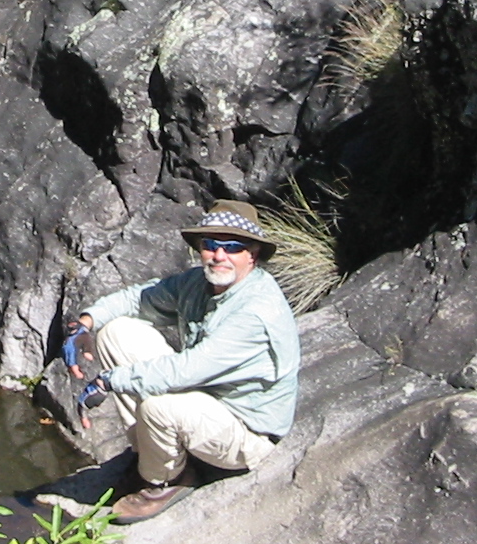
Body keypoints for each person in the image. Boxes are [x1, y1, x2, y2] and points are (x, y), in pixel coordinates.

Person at [60, 200, 300, 524]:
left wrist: (107, 380)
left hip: (244, 429)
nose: (219, 255)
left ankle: (166, 480)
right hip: (204, 397)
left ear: (252, 255)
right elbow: (138, 298)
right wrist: (84, 324)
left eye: (232, 247)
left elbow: (186, 370)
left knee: (159, 407)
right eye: (210, 244)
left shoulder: (255, 312)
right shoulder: (199, 283)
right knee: (116, 332)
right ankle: (149, 453)